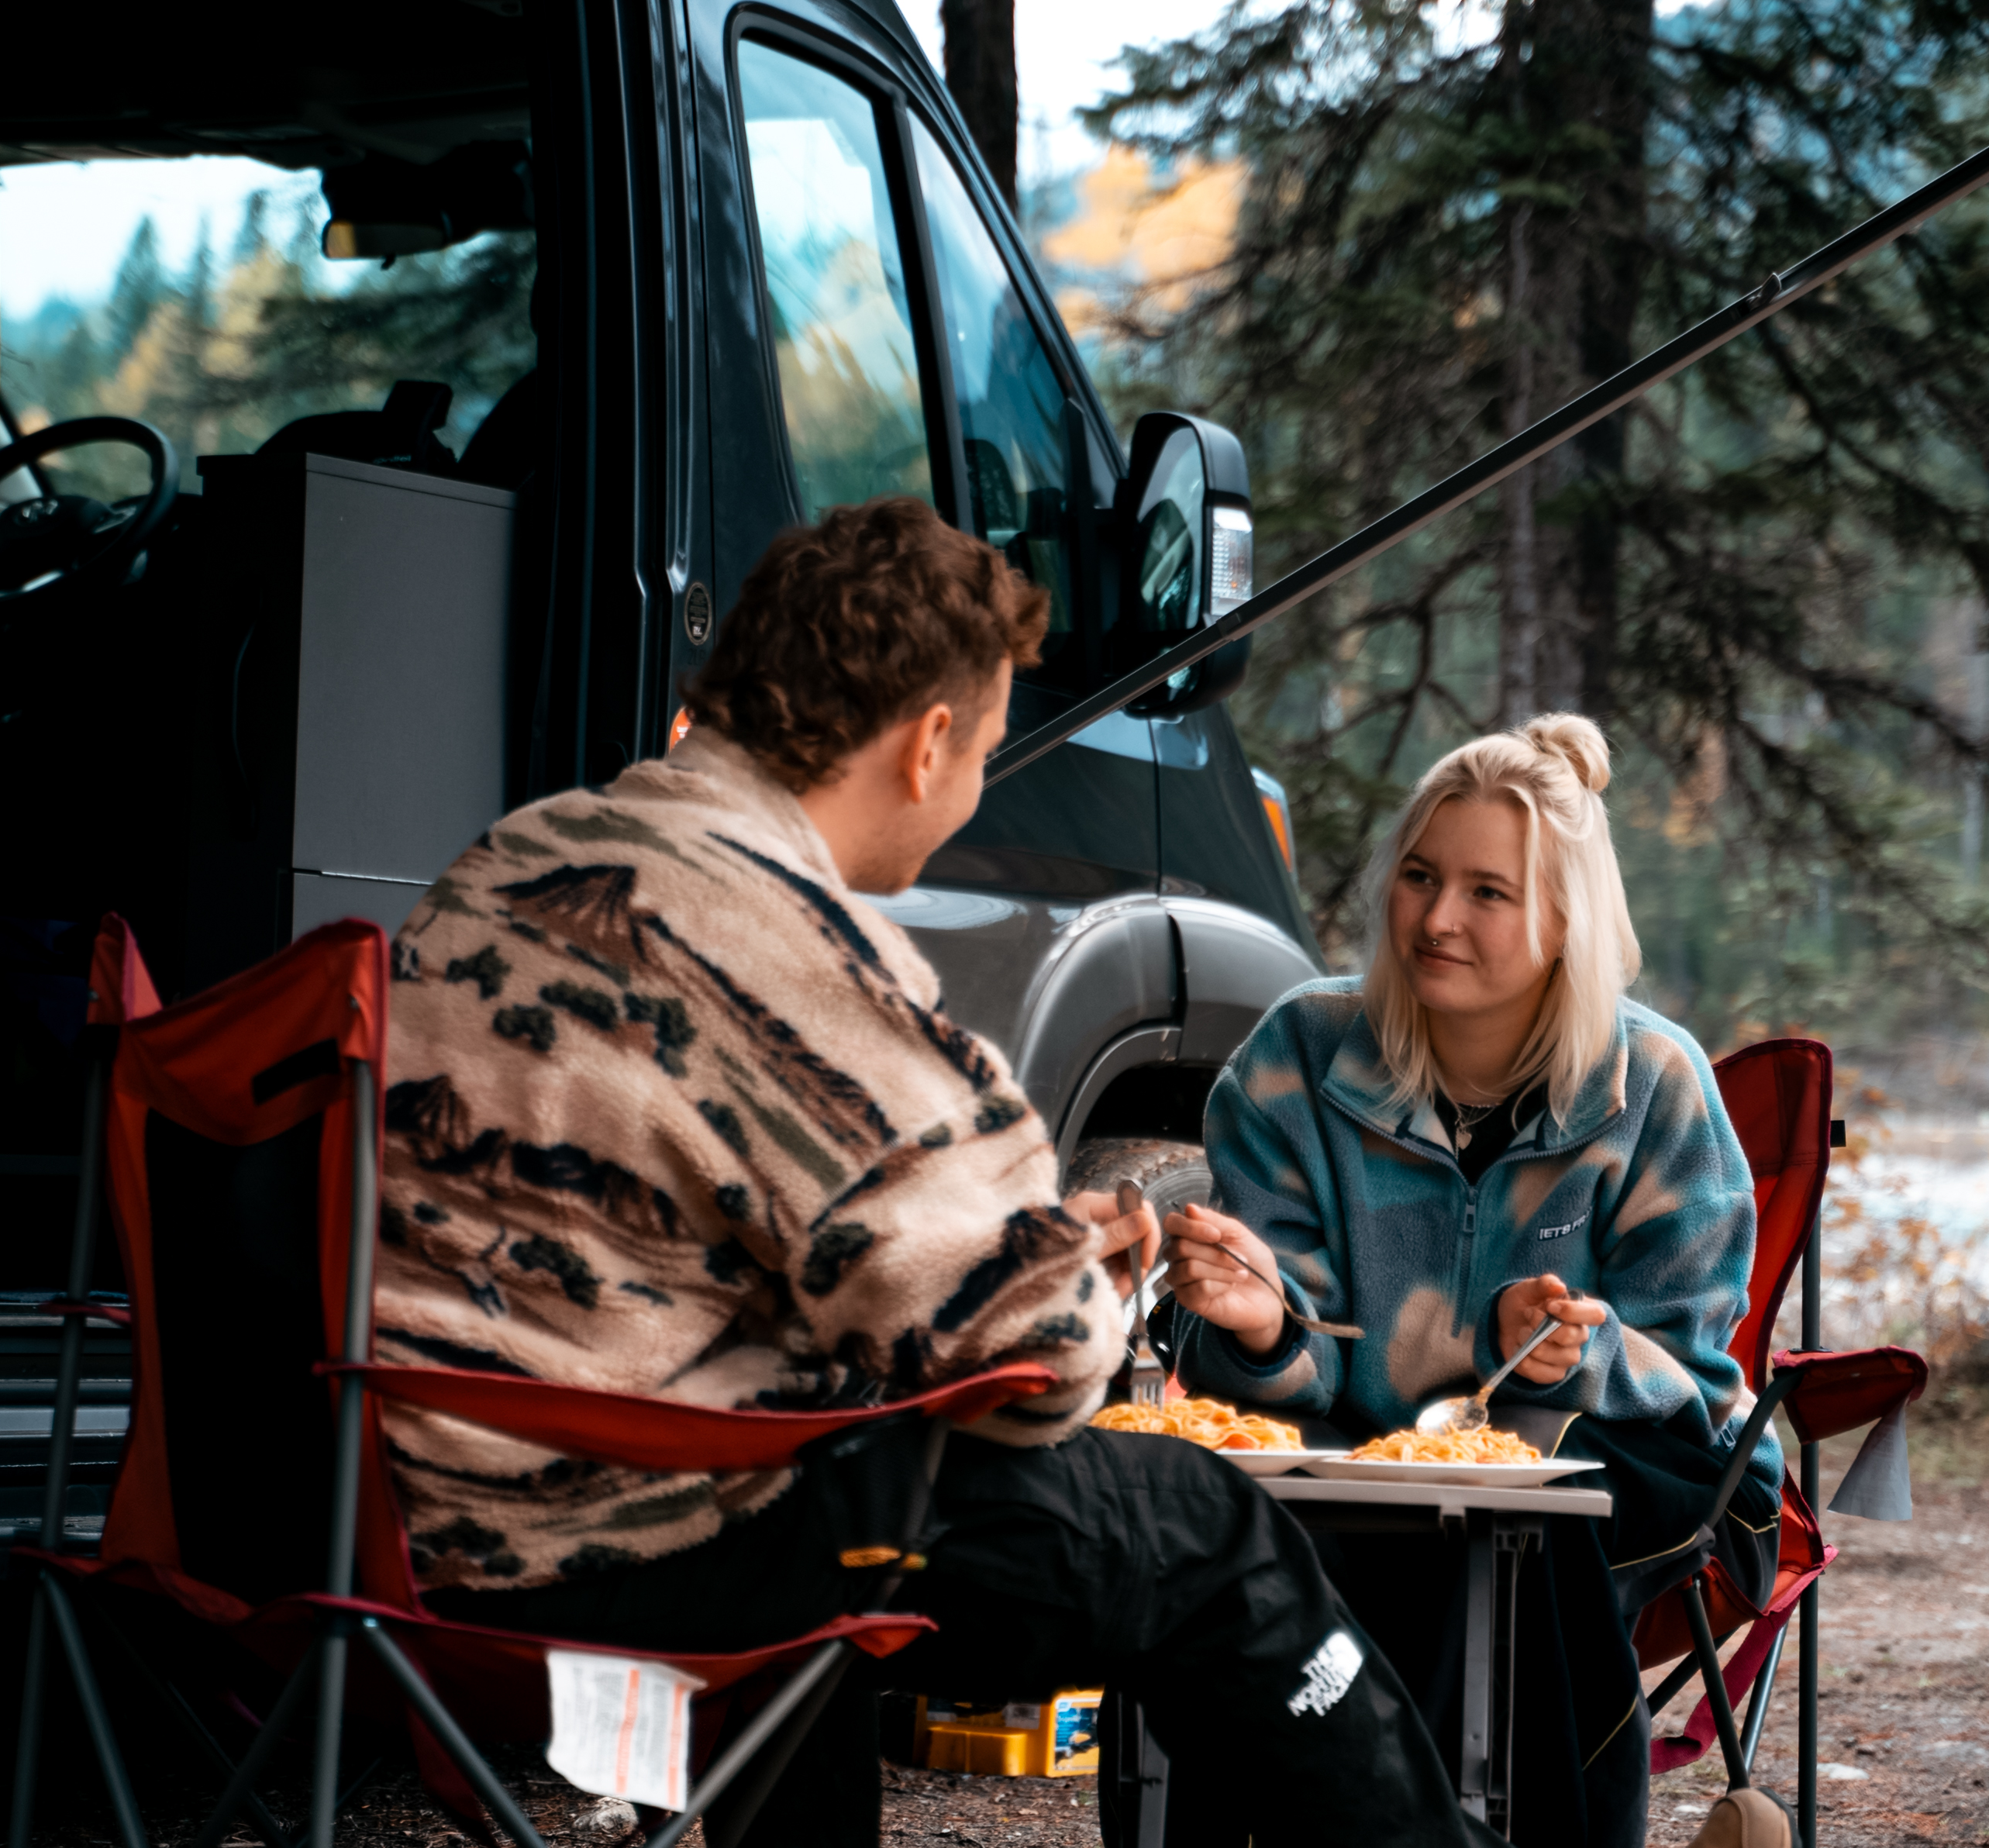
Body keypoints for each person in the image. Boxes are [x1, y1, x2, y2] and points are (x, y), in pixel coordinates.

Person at [371, 495, 1508, 1846]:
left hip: (395, 1513)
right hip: (614, 1534)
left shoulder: (518, 856)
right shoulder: (781, 936)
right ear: (928, 744)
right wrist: (1072, 1269)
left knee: (830, 1485)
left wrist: (1000, 1248)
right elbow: (1036, 1372)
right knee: (1208, 1531)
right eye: (987, 749)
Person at [1160, 716, 1776, 1848]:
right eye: (1420, 877)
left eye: (1488, 892)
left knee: (1514, 1523)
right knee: (1250, 1526)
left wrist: (1574, 1350)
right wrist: (1260, 1326)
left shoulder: (1653, 1085)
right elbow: (1286, 1370)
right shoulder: (1300, 1057)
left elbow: (1688, 1376)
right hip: (1358, 1457)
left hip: (1636, 1462)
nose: (1437, 918)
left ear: (1565, 922)